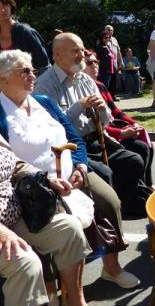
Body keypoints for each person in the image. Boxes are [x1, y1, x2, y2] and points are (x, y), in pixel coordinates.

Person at [0, 49, 140, 294]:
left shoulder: (43, 101)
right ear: (3, 78)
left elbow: (74, 137)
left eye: (33, 70)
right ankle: (54, 285)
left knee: (109, 201)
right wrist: (46, 179)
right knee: (57, 225)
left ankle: (112, 268)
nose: (33, 75)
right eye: (25, 71)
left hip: (71, 172)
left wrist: (81, 166)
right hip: (32, 186)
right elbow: (8, 163)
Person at [0, 136, 111, 306]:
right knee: (25, 263)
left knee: (69, 229)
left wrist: (46, 178)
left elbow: (15, 163)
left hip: (16, 217)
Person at [33, 33, 149, 220]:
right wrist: (80, 106)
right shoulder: (45, 86)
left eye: (81, 49)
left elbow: (105, 121)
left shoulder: (85, 80)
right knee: (106, 172)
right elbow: (54, 127)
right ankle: (106, 219)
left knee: (135, 159)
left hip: (96, 140)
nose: (81, 54)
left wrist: (102, 109)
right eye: (75, 51)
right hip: (71, 148)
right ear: (57, 55)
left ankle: (120, 211)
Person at [83, 49, 155, 189]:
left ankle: (146, 185)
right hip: (103, 138)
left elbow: (115, 111)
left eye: (96, 61)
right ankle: (138, 189)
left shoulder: (100, 86)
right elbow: (94, 124)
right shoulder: (83, 90)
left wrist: (135, 124)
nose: (94, 66)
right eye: (89, 62)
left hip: (112, 130)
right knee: (138, 152)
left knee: (145, 143)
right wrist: (121, 133)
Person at [0, 0, 50, 74]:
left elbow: (45, 68)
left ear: (11, 6)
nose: (2, 10)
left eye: (5, 4)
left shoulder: (26, 33)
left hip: (32, 85)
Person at [104, 25, 123, 99]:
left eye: (111, 30)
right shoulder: (102, 39)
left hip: (114, 64)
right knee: (106, 81)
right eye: (108, 30)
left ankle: (113, 95)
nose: (110, 31)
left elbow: (118, 51)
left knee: (114, 80)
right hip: (106, 64)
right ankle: (106, 97)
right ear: (105, 30)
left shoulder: (114, 39)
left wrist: (121, 62)